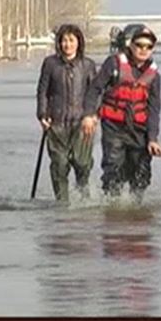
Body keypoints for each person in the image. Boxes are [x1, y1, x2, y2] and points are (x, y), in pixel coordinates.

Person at [81, 24, 161, 201]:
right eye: (139, 45)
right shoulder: (113, 63)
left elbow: (154, 109)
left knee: (141, 174)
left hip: (139, 130)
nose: (143, 50)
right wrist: (89, 115)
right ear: (131, 45)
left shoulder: (154, 77)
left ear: (152, 49)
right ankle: (113, 213)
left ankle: (136, 214)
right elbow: (95, 89)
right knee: (114, 171)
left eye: (148, 47)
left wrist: (152, 139)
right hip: (114, 127)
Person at [36, 24, 97, 201]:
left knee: (82, 163)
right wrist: (42, 115)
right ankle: (62, 204)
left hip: (82, 123)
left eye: (71, 40)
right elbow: (42, 91)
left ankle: (84, 201)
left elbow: (95, 93)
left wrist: (92, 115)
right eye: (64, 40)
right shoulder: (50, 64)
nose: (67, 44)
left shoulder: (88, 65)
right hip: (56, 123)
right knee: (59, 165)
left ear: (79, 42)